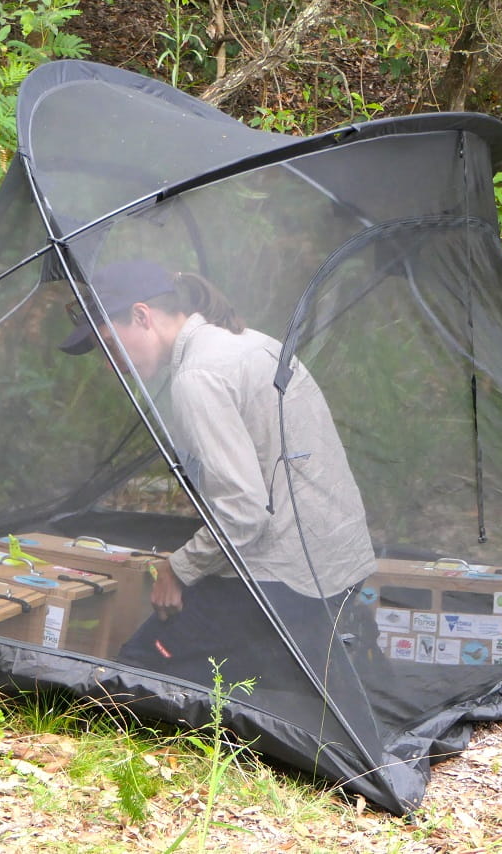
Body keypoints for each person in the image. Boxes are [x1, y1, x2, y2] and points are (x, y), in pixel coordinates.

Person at [60, 260, 379, 689]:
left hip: (288, 579)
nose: (109, 364)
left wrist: (178, 569)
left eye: (108, 345)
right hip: (340, 566)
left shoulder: (197, 376)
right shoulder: (247, 342)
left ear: (141, 315)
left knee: (132, 677)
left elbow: (245, 512)